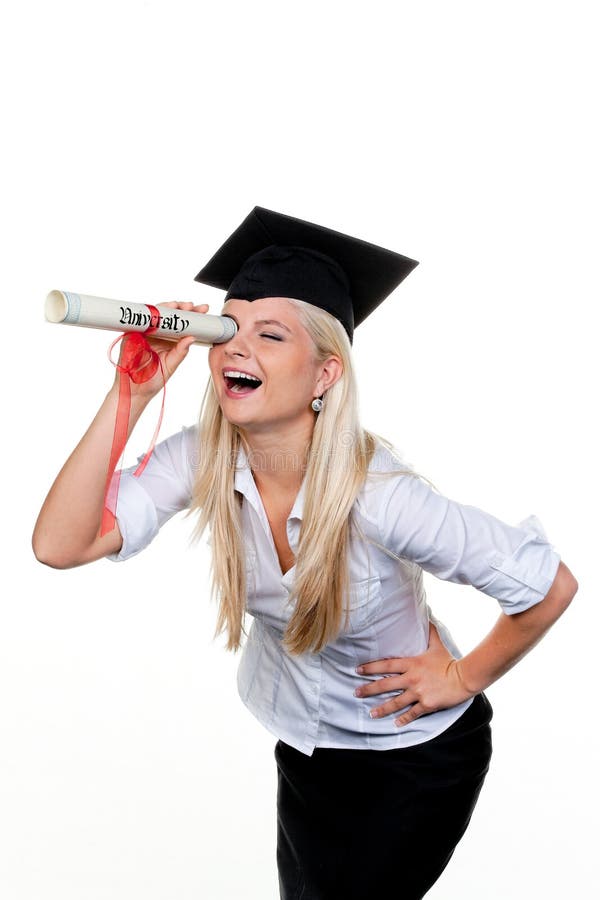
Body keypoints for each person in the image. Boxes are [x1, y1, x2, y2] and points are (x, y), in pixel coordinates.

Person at [33, 207, 578, 899]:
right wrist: (131, 395)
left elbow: (547, 584)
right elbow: (60, 543)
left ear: (324, 374)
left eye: (270, 334)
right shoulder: (204, 455)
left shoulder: (381, 497)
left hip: (415, 759)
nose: (237, 348)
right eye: (230, 329)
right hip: (307, 749)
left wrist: (463, 679)